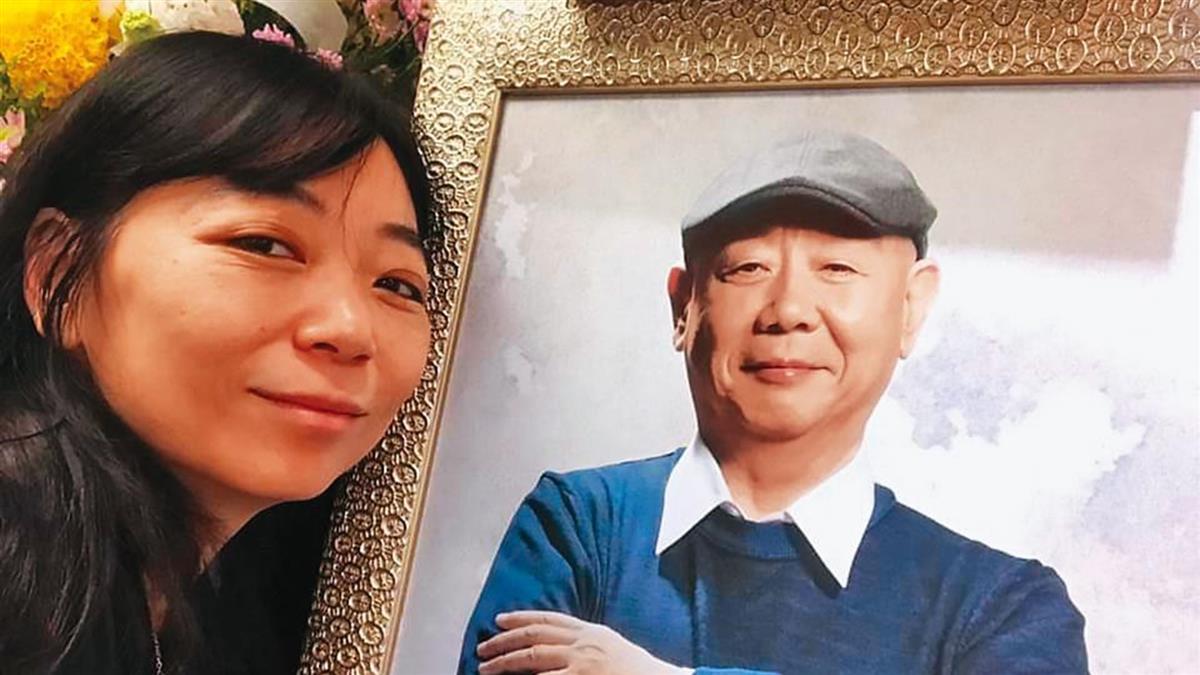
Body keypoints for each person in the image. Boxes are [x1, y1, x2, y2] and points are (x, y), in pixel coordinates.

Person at [458, 131, 1088, 674]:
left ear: (911, 308)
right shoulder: (578, 527)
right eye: (747, 269)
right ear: (683, 307)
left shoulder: (1002, 607)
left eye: (837, 268)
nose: (787, 310)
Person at [0, 31, 434, 674]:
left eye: (397, 285)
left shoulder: (244, 602)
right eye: (264, 245)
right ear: (58, 271)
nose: (351, 329)